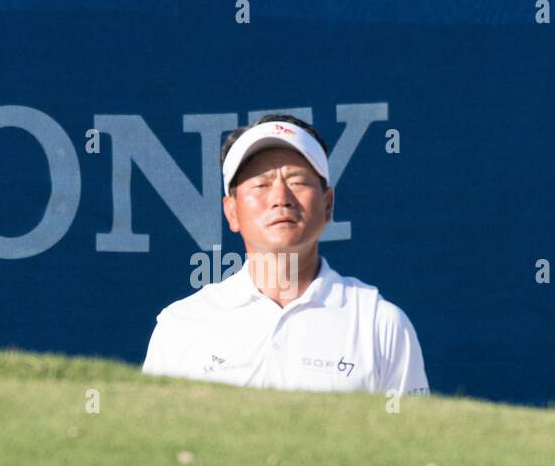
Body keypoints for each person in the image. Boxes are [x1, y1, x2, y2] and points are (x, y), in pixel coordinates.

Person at [141, 114, 429, 397]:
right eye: (261, 184)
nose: (281, 197)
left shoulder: (379, 324)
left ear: (328, 204)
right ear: (231, 211)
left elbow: (412, 442)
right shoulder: (181, 326)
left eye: (298, 181)